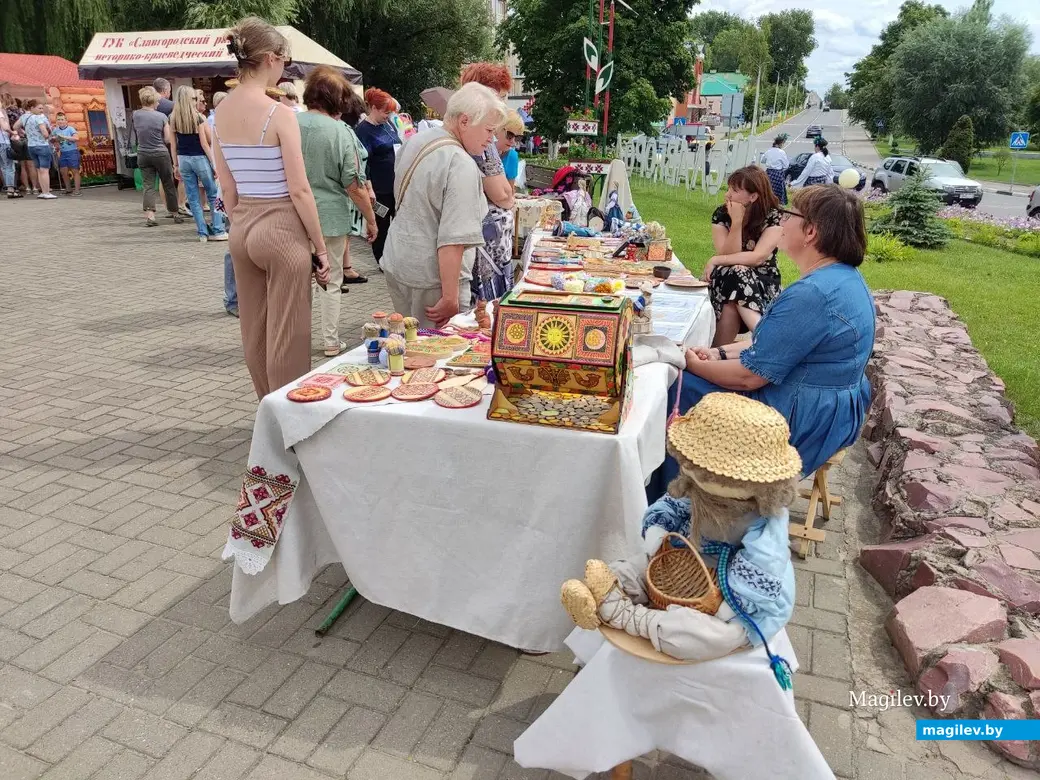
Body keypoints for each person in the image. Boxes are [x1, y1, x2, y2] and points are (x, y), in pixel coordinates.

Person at [646, 184, 875, 501]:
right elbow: (772, 341)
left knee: (673, 387)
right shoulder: (839, 278)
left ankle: (673, 504)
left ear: (810, 232)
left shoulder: (815, 293)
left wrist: (694, 363)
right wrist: (718, 352)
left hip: (801, 415)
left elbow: (749, 377)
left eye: (787, 215)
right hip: (829, 406)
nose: (779, 221)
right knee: (689, 373)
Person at [214, 16, 331, 399]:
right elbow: (299, 190)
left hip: (243, 225)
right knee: (289, 336)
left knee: (254, 330)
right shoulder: (279, 114)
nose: (285, 67)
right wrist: (321, 247)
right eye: (285, 59)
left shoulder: (220, 115)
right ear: (269, 58)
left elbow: (227, 188)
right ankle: (289, 424)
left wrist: (241, 220)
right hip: (280, 225)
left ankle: (265, 411)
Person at [381, 82, 503, 327]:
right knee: (437, 355)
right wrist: (450, 297)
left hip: (398, 260)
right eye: (489, 130)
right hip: (432, 280)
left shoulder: (416, 141)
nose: (492, 140)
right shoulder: (461, 164)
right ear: (464, 121)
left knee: (410, 344)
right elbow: (453, 240)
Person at [297, 66, 379, 356]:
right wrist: (371, 220)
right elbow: (354, 185)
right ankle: (330, 341)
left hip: (291, 216)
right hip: (329, 218)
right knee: (330, 282)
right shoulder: (341, 132)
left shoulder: (288, 122)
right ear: (337, 100)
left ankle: (293, 342)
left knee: (294, 282)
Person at [706, 166, 783, 346]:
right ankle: (761, 335)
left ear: (753, 196)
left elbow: (758, 258)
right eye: (728, 188)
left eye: (735, 190)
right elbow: (728, 255)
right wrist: (737, 222)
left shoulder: (773, 216)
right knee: (734, 275)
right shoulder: (721, 214)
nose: (728, 195)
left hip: (762, 280)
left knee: (736, 276)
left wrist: (716, 260)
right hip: (727, 278)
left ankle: (717, 352)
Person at [460, 62, 516, 305]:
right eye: (501, 96)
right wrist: (508, 199)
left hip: (490, 243)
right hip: (484, 245)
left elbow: (504, 189)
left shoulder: (486, 135)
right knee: (483, 312)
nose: (503, 104)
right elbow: (501, 193)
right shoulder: (479, 136)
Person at [171, 86, 227, 242]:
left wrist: (175, 165)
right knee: (213, 194)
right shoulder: (199, 118)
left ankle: (202, 232)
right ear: (191, 100)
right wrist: (214, 163)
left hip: (183, 159)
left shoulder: (173, 118)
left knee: (193, 197)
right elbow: (206, 142)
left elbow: (173, 144)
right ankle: (217, 229)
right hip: (200, 158)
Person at [355, 88, 400, 266]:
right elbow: (363, 162)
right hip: (379, 189)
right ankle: (381, 259)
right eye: (385, 112)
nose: (388, 116)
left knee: (397, 223)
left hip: (394, 184)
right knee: (381, 224)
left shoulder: (388, 125)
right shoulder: (363, 131)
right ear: (374, 108)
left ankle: (394, 256)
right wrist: (369, 188)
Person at [338, 86, 375, 289]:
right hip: (343, 194)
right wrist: (371, 219)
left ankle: (344, 269)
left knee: (346, 235)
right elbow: (353, 173)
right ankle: (338, 274)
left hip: (346, 194)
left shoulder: (346, 131)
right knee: (341, 236)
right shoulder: (344, 132)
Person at [133, 86, 182, 226]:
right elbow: (167, 138)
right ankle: (175, 213)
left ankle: (150, 216)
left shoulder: (136, 114)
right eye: (157, 101)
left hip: (143, 152)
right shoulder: (161, 116)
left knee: (148, 185)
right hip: (160, 153)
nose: (159, 103)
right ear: (153, 101)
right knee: (168, 183)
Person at [15, 100, 55, 199]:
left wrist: (24, 132)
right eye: (39, 108)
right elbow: (45, 133)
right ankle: (46, 192)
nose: (41, 110)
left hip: (31, 146)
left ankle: (43, 192)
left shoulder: (24, 117)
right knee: (44, 170)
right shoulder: (39, 118)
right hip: (42, 145)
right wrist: (49, 136)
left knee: (38, 169)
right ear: (32, 108)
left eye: (42, 108)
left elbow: (15, 126)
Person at [52, 112, 81, 196]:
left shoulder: (70, 129)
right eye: (58, 119)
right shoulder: (56, 130)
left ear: (66, 120)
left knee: (74, 170)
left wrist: (64, 137)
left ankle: (77, 191)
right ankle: (68, 189)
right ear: (56, 121)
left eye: (62, 119)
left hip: (72, 152)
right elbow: (53, 140)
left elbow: (76, 138)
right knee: (63, 171)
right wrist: (54, 141)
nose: (60, 121)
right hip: (63, 153)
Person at [760, 134, 789, 204]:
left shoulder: (768, 151)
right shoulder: (782, 152)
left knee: (768, 190)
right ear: (780, 143)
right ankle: (777, 204)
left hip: (769, 173)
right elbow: (786, 165)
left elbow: (762, 160)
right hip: (777, 174)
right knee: (777, 192)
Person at [500, 111, 523, 191]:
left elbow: (510, 190)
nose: (513, 142)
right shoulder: (480, 152)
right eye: (509, 135)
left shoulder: (512, 156)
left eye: (517, 137)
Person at [0, 105, 17, 198]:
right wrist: (12, 132)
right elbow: (5, 127)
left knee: (2, 167)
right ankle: (11, 189)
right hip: (3, 142)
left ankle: (6, 187)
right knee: (9, 166)